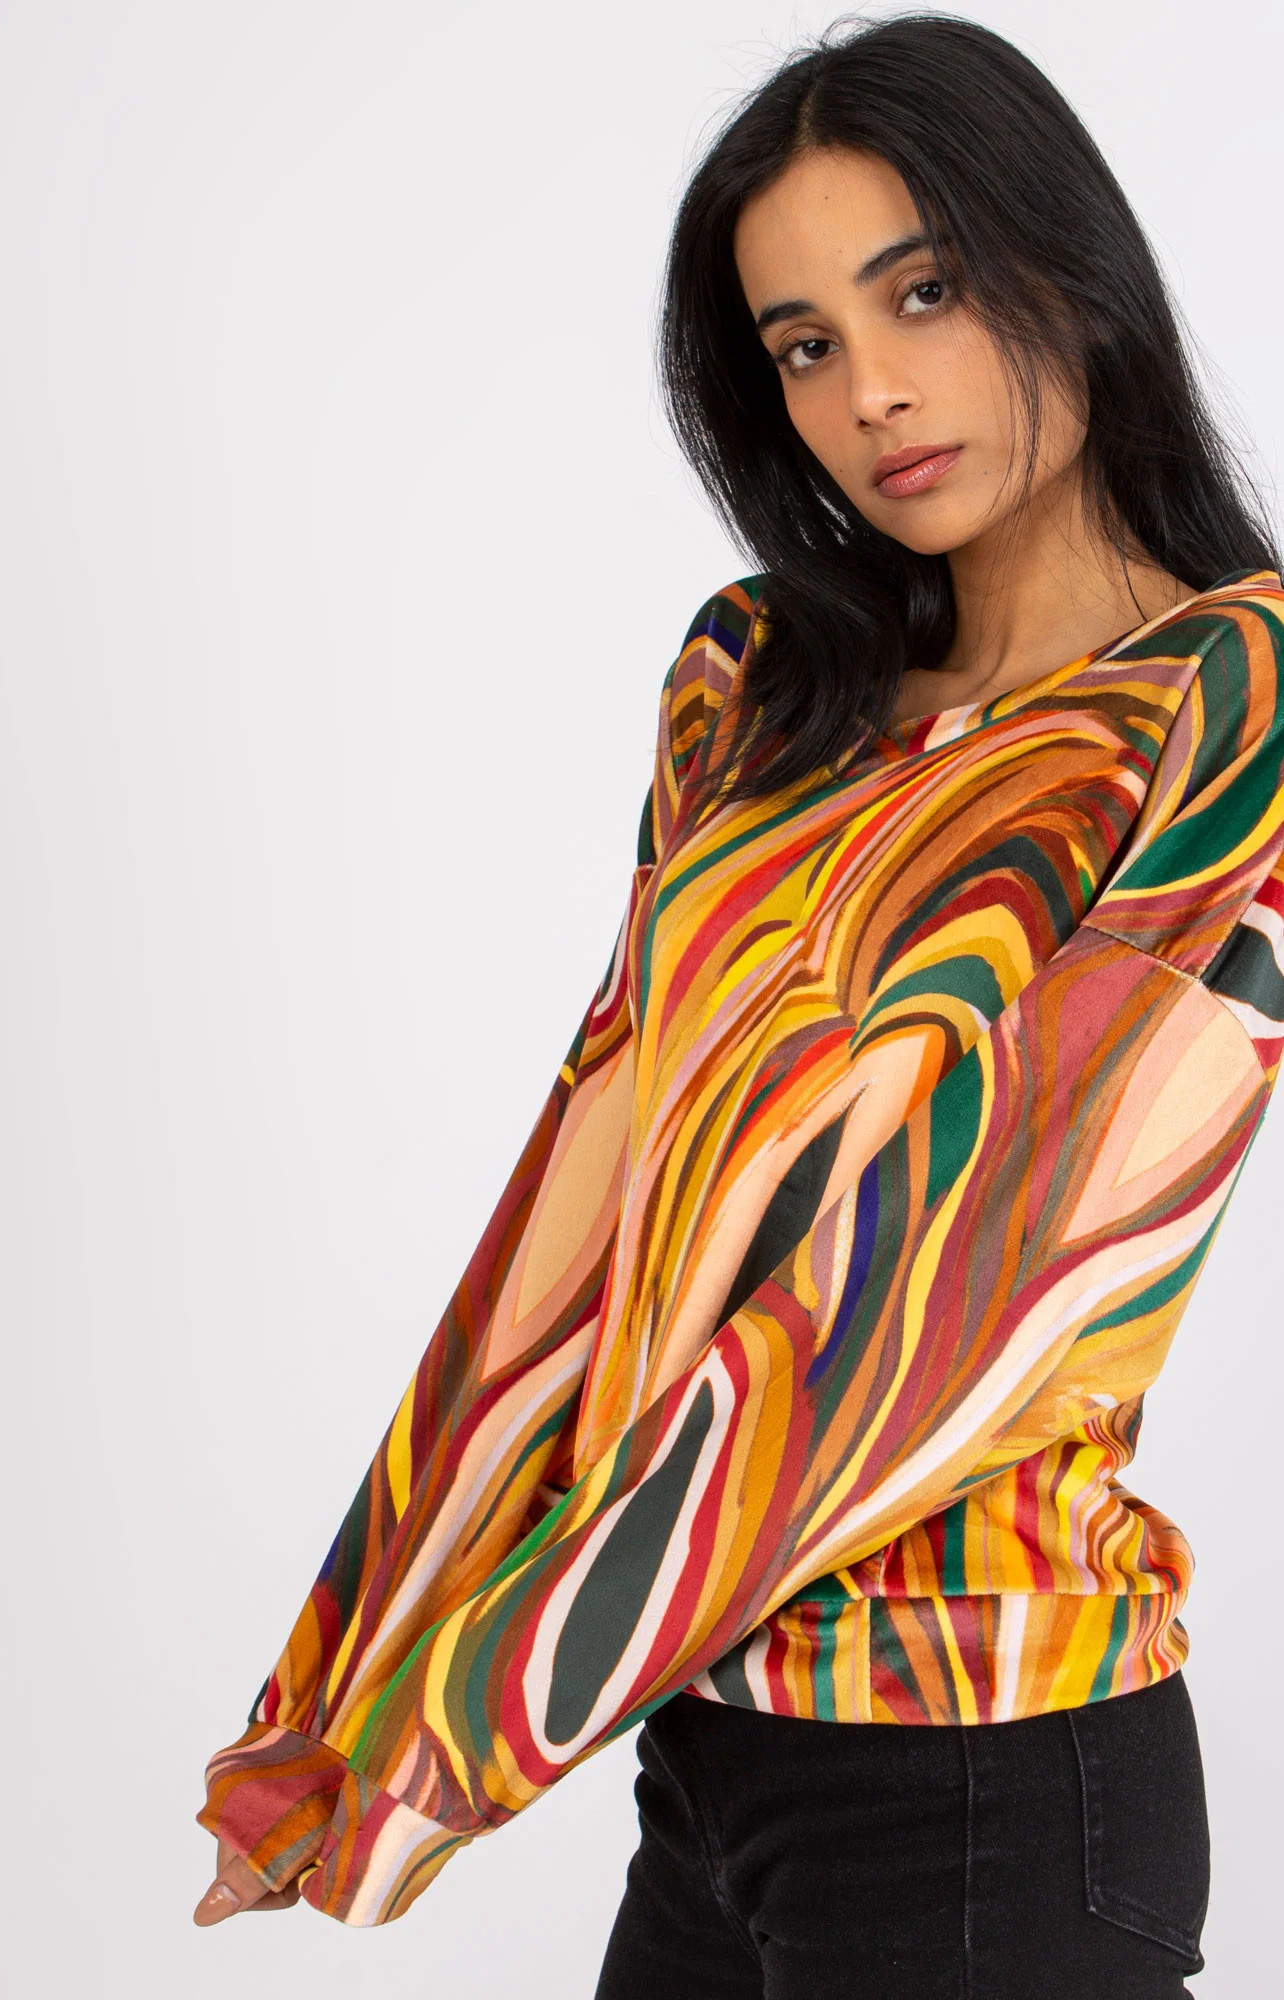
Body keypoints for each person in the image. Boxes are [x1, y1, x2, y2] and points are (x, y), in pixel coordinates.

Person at [191, 15, 1284, 1994]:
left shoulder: (1233, 707)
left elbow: (968, 1290)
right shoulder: (761, 687)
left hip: (987, 1754)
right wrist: (339, 1691)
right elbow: (588, 1208)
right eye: (800, 344)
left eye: (924, 294)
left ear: (1073, 271)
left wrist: (463, 1725)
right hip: (708, 1746)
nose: (871, 392)